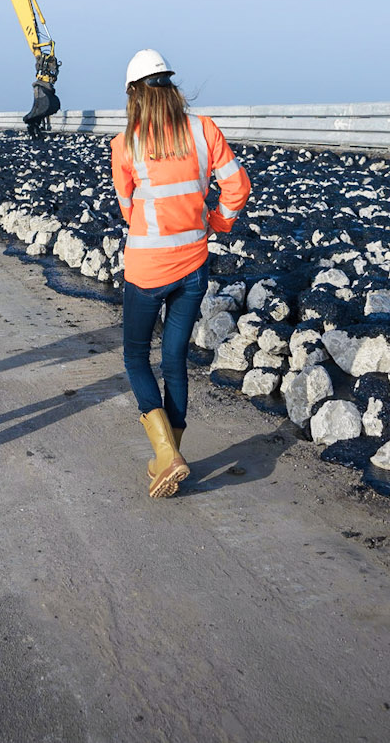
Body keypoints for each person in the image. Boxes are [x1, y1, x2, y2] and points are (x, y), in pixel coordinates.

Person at [110, 48, 250, 498]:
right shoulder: (203, 129)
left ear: (133, 94)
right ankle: (172, 452)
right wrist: (218, 221)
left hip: (147, 269)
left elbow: (127, 209)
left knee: (135, 357)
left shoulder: (125, 144)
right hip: (192, 266)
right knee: (174, 361)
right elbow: (237, 186)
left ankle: (167, 455)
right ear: (170, 86)